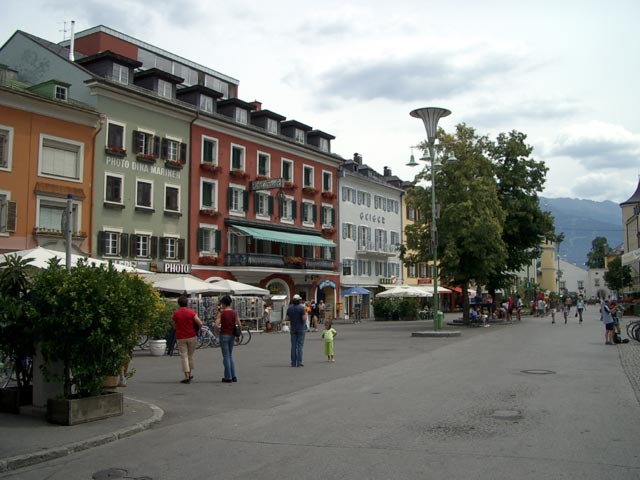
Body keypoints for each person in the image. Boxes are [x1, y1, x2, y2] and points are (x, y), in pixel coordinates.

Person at [171, 295, 203, 384]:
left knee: (183, 356)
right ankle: (189, 373)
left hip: (181, 336)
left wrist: (177, 327)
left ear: (178, 304)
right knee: (190, 356)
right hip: (191, 336)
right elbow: (199, 322)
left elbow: (173, 324)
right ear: (187, 303)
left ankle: (186, 376)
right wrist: (200, 329)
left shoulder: (176, 313)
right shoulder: (191, 312)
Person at [214, 295, 242, 383]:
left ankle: (228, 377)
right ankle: (234, 376)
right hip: (232, 335)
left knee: (226, 356)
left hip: (224, 335)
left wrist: (216, 331)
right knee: (230, 355)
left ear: (223, 303)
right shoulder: (234, 312)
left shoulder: (221, 313)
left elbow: (216, 324)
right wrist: (238, 335)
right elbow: (239, 324)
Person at [286, 294, 307, 367]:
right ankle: (299, 362)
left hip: (293, 328)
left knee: (293, 345)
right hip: (301, 328)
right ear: (298, 301)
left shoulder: (289, 308)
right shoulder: (301, 308)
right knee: (300, 346)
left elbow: (287, 318)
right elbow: (304, 318)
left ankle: (293, 362)